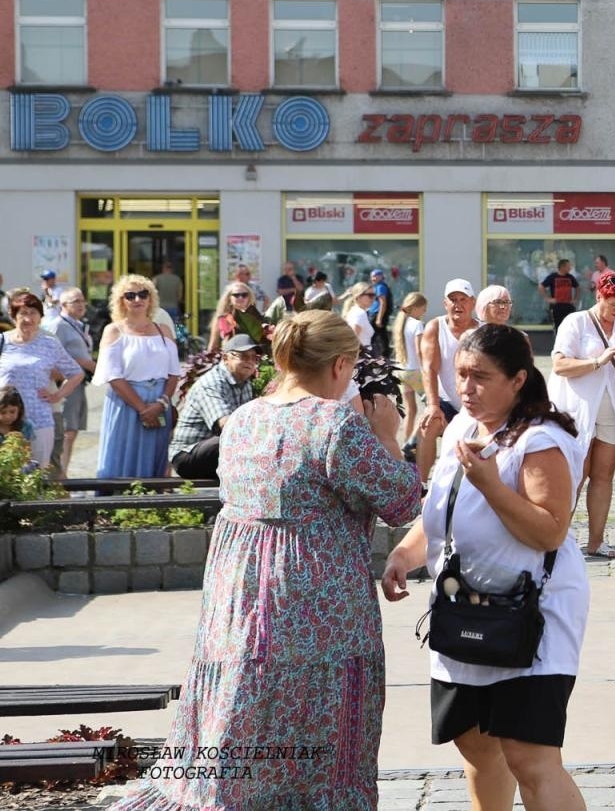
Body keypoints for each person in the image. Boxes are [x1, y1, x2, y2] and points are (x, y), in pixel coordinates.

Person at [114, 313, 419, 811]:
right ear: (342, 365)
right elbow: (402, 500)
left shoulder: (244, 418)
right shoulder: (335, 423)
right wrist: (387, 434)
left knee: (239, 702)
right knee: (320, 720)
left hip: (239, 594)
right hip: (316, 597)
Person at [381, 325, 587, 811]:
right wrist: (405, 556)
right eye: (460, 375)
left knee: (529, 756)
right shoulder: (460, 427)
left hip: (530, 613)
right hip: (463, 611)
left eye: (480, 377)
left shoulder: (541, 439)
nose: (466, 388)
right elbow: (440, 509)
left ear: (518, 380)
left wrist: (493, 485)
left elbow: (548, 531)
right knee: (475, 746)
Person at [550, 270, 615, 559]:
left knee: (604, 475)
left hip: (612, 409)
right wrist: (597, 361)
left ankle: (596, 541)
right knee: (574, 476)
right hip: (577, 410)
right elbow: (559, 365)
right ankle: (557, 540)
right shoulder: (576, 322)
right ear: (598, 295)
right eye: (611, 304)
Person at [93, 275, 182, 478]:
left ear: (151, 299)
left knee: (155, 461)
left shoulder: (164, 330)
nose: (137, 300)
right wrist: (143, 409)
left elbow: (174, 372)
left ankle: (153, 507)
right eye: (130, 295)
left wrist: (161, 403)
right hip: (127, 405)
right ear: (121, 300)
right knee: (121, 460)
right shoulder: (113, 331)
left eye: (143, 294)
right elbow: (114, 377)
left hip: (160, 404)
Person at [0, 290, 83, 468]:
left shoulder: (49, 343)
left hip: (40, 419)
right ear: (13, 316)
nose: (28, 318)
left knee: (37, 474)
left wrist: (58, 395)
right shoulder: (2, 341)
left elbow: (76, 373)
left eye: (33, 313)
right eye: (23, 313)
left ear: (41, 316)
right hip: (6, 420)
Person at [168, 335, 259, 480]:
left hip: (217, 452)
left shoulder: (245, 384)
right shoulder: (211, 383)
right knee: (229, 440)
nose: (249, 361)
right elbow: (225, 425)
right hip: (187, 455)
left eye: (254, 358)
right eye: (243, 356)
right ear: (225, 358)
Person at [43, 287, 96, 474]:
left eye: (82, 301)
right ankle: (60, 476)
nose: (81, 305)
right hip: (66, 383)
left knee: (72, 431)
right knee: (67, 430)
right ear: (63, 305)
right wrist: (84, 363)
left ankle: (63, 473)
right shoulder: (59, 325)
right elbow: (52, 355)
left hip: (79, 382)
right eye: (76, 301)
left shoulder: (78, 324)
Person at [419, 279, 479, 442]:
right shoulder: (435, 327)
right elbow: (429, 368)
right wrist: (432, 405)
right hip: (446, 402)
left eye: (463, 299)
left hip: (477, 404)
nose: (457, 304)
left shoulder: (483, 330)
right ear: (445, 303)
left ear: (472, 302)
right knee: (427, 425)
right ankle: (420, 469)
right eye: (453, 300)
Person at [391, 292, 429, 451]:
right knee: (431, 407)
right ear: (416, 308)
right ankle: (414, 440)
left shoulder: (401, 323)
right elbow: (421, 351)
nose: (424, 312)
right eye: (423, 309)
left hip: (401, 372)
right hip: (415, 372)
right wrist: (426, 370)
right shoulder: (417, 324)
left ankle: (406, 443)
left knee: (411, 410)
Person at [207, 281, 266, 353]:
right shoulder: (222, 318)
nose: (240, 297)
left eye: (244, 295)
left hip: (254, 357)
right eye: (236, 295)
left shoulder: (256, 316)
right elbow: (213, 345)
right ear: (229, 299)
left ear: (249, 298)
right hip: (232, 357)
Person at [540, 258, 582, 330]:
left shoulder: (570, 277)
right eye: (568, 266)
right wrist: (548, 299)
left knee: (571, 325)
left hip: (568, 305)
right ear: (562, 267)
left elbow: (578, 287)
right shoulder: (553, 277)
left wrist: (575, 299)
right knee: (558, 326)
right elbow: (541, 286)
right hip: (556, 306)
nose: (570, 268)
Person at [341, 282, 378, 353]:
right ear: (358, 296)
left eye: (374, 295)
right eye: (370, 295)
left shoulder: (355, 310)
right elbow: (352, 340)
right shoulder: (360, 313)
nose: (373, 298)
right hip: (360, 359)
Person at [0, 385, 34, 458]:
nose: (7, 416)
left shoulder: (26, 427)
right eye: (3, 412)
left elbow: (27, 451)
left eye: (12, 412)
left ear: (20, 409)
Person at [368, 269, 393, 357]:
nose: (373, 278)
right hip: (374, 313)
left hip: (376, 314)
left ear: (381, 276)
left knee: (371, 335)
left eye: (376, 276)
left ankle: (372, 354)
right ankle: (385, 354)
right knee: (382, 335)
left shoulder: (380, 287)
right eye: (372, 276)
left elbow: (383, 303)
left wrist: (379, 318)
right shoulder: (377, 286)